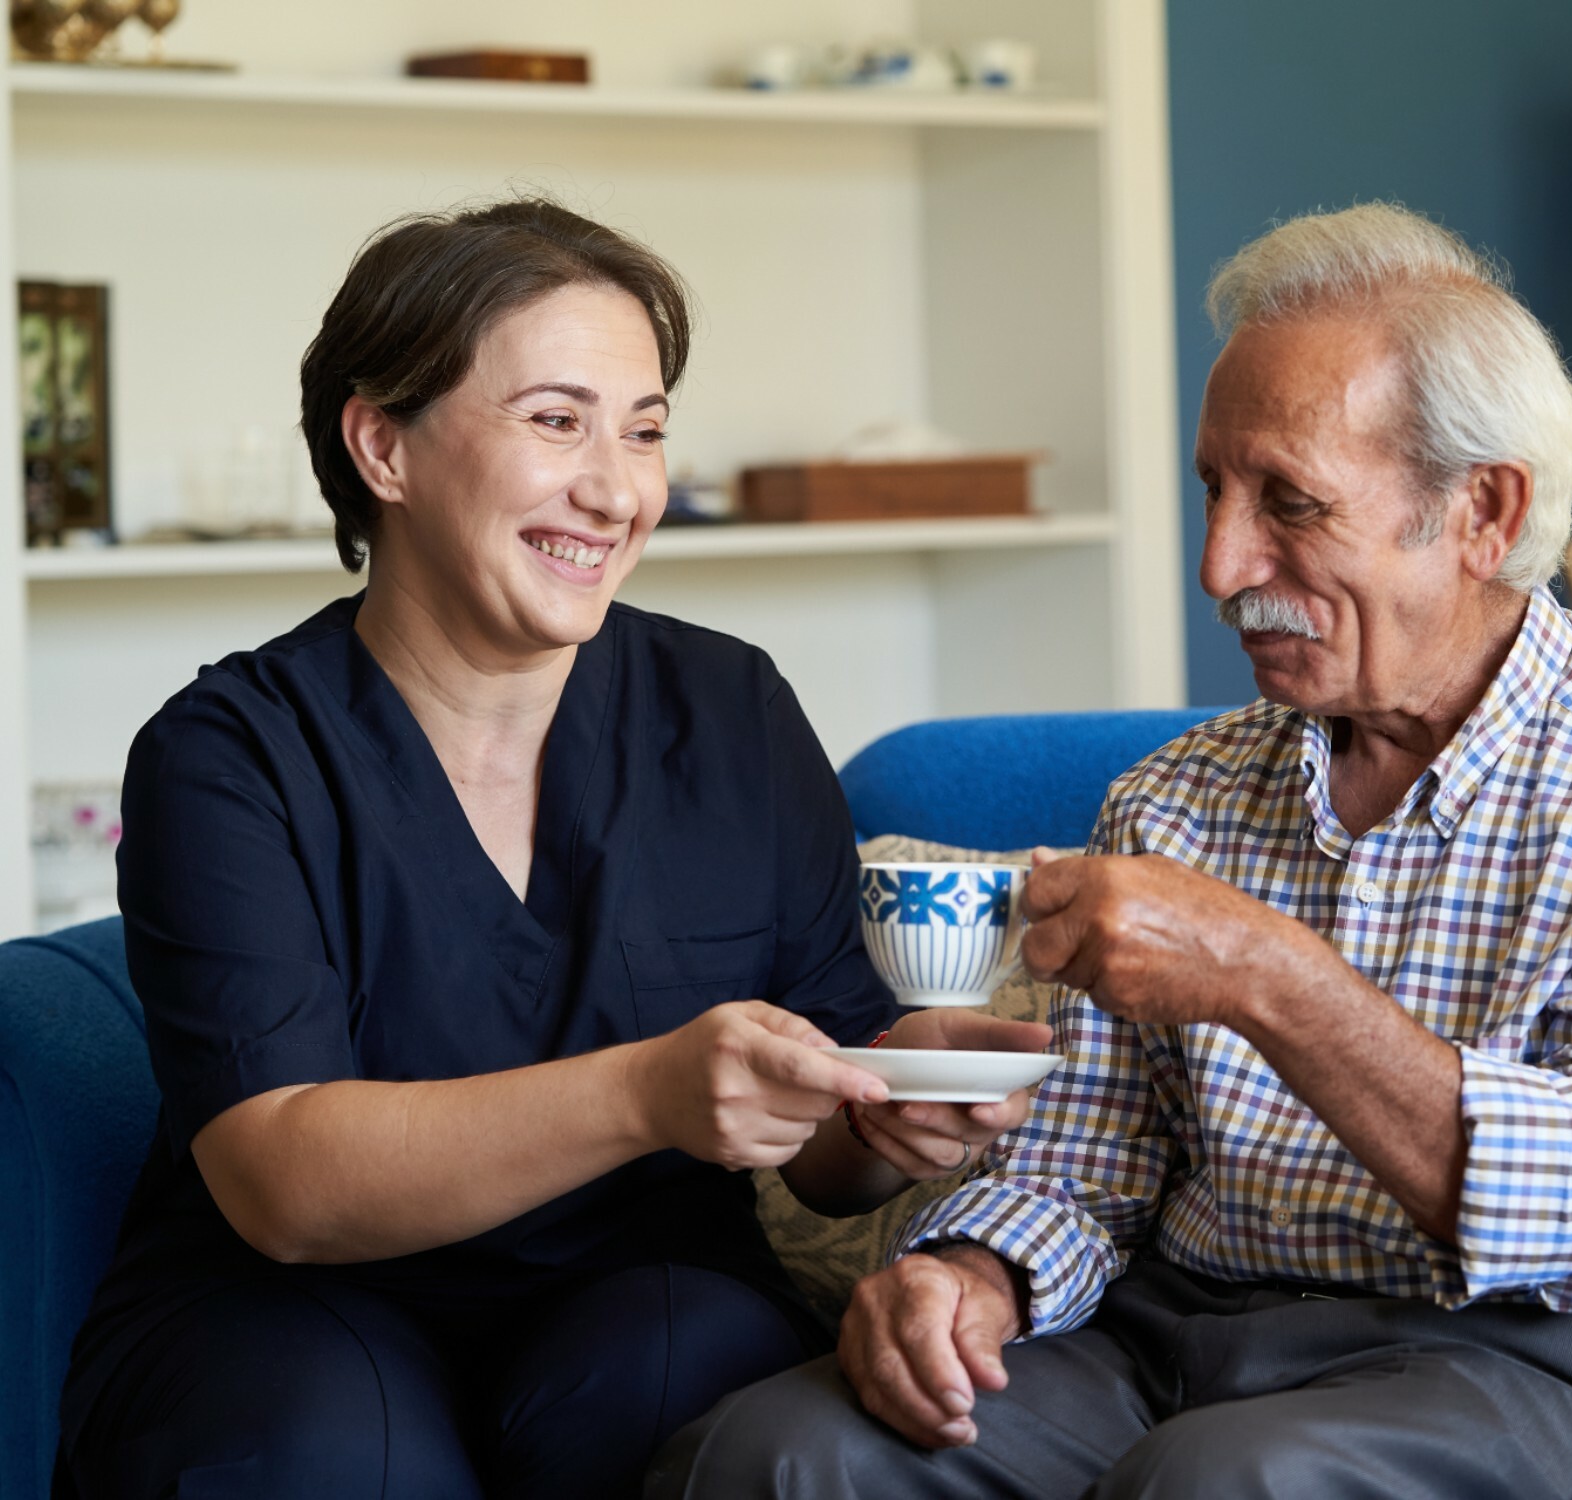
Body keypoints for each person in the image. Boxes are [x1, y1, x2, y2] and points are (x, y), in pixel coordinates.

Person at [655, 203, 1572, 1500]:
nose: (1222, 563)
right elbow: (1084, 1163)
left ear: (1484, 514)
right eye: (1213, 493)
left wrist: (1265, 973)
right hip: (1184, 1330)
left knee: (1226, 1484)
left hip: (1564, 1363)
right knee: (778, 1455)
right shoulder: (1178, 798)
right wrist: (974, 1274)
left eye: (1290, 502)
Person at [55, 198, 1050, 1500]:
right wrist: (644, 1092)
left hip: (641, 1290)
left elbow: (821, 1141)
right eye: (556, 421)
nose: (617, 489)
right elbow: (282, 1182)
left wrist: (895, 1106)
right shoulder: (229, 754)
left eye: (644, 431)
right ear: (382, 447)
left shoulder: (731, 712)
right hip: (289, 1304)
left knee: (709, 1397)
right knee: (338, 1445)